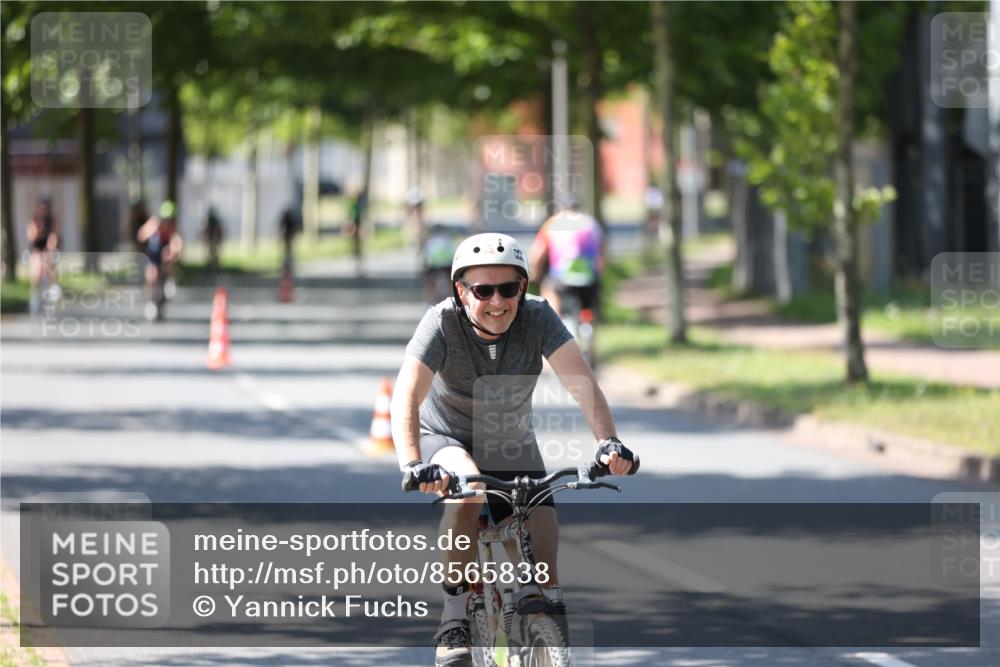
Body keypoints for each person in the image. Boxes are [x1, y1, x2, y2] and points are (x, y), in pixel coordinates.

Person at [390, 232, 636, 667]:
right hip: (446, 436)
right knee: (468, 494)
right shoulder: (441, 322)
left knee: (540, 533)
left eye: (508, 288)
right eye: (483, 290)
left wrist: (608, 442)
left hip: (506, 439)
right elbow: (406, 395)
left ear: (523, 287)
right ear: (461, 291)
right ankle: (453, 616)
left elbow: (581, 383)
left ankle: (544, 627)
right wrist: (412, 463)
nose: (497, 301)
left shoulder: (538, 317)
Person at [528, 198, 605, 320]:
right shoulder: (591, 223)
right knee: (589, 306)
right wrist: (599, 273)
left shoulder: (553, 223)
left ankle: (554, 322)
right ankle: (589, 329)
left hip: (561, 275)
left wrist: (535, 274)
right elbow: (601, 253)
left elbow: (537, 254)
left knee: (549, 289)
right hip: (588, 275)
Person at [137, 200, 183, 320]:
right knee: (152, 276)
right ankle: (152, 302)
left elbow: (177, 241)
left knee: (170, 254)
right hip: (153, 254)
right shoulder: (154, 223)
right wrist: (149, 231)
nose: (168, 222)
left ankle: (169, 280)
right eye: (166, 219)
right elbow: (140, 235)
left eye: (171, 220)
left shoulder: (173, 228)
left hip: (164, 253)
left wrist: (175, 251)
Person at [26, 197, 59, 314]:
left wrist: (50, 250)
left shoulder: (51, 220)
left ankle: (52, 295)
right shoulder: (34, 220)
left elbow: (53, 237)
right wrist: (38, 230)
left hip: (47, 250)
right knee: (37, 273)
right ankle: (35, 298)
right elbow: (32, 237)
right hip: (36, 249)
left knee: (50, 270)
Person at [420, 224, 458, 305]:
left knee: (430, 283)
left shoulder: (429, 240)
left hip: (433, 265)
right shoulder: (447, 239)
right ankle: (451, 301)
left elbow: (425, 255)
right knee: (451, 282)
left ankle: (429, 301)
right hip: (447, 264)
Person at [203, 207, 224, 273]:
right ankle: (212, 267)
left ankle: (214, 267)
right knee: (212, 254)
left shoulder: (211, 220)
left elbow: (215, 229)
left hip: (213, 238)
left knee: (213, 254)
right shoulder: (212, 220)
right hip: (212, 238)